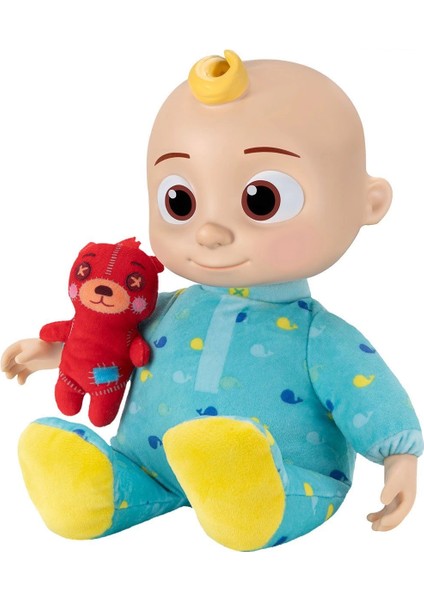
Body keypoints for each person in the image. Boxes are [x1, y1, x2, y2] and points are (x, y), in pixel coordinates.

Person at [2, 50, 422, 551]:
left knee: (264, 487)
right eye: (180, 202)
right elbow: (109, 340)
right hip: (151, 462)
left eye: (260, 200)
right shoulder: (165, 309)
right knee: (109, 475)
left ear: (367, 202)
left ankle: (249, 493)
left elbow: (366, 389)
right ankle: (100, 485)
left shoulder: (319, 336)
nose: (209, 232)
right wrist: (55, 351)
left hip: (291, 473)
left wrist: (400, 458)